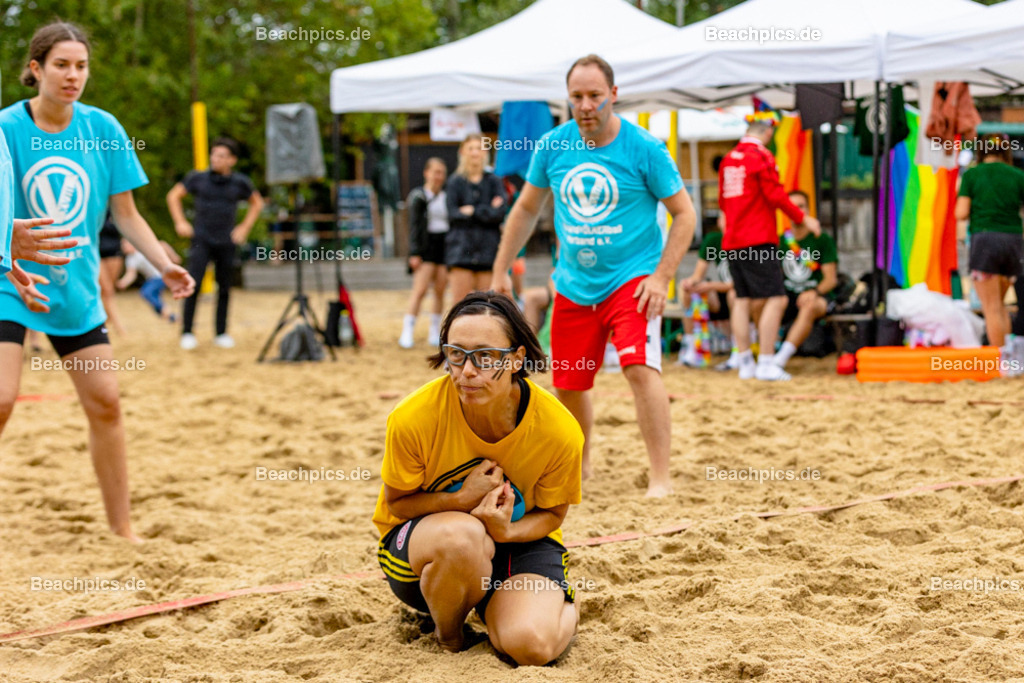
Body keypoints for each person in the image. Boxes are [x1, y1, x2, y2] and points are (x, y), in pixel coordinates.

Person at [0, 22, 195, 541]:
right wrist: (7, 233)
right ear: (36, 68)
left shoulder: (103, 129)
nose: (73, 76)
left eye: (81, 66)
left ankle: (122, 529)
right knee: (1, 398)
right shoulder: (6, 129)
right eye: (62, 64)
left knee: (106, 402)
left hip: (75, 290)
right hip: (9, 282)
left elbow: (127, 214)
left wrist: (161, 264)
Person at [491, 54, 696, 497]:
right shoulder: (553, 146)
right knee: (569, 382)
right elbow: (526, 208)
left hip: (632, 278)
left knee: (640, 368)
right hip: (573, 284)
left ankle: (659, 476)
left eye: (595, 96)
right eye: (577, 96)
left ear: (614, 95)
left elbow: (685, 214)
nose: (586, 105)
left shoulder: (644, 148)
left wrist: (661, 277)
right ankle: (579, 465)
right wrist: (501, 269)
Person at [374, 291, 583, 664]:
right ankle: (450, 635)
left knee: (531, 646)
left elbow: (553, 516)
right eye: (457, 354)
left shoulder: (559, 430)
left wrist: (507, 532)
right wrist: (460, 499)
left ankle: (552, 604)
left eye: (485, 357)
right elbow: (397, 503)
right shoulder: (412, 417)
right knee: (462, 537)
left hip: (518, 544)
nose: (468, 371)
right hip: (428, 554)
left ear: (518, 359)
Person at [718, 113, 821, 381]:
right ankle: (765, 361)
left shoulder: (729, 159)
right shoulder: (760, 157)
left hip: (732, 239)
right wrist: (803, 218)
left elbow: (722, 201)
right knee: (776, 298)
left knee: (742, 299)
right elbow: (775, 195)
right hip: (757, 238)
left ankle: (744, 361)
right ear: (767, 132)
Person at [167, 137, 264, 350]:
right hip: (201, 239)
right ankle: (187, 332)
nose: (215, 159)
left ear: (232, 160)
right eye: (214, 154)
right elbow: (173, 195)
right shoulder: (198, 178)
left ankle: (221, 332)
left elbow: (257, 202)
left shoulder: (240, 182)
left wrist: (244, 227)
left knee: (225, 287)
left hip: (227, 240)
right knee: (194, 283)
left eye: (221, 155)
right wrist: (180, 222)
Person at [955, 132, 1024, 371]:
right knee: (1003, 306)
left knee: (992, 308)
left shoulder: (972, 175)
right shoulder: (1018, 175)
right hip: (1014, 243)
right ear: (1006, 150)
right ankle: (1013, 363)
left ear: (981, 151)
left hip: (985, 242)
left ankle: (1001, 365)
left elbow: (960, 213)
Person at [774, 189, 838, 371]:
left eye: (801, 206)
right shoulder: (780, 242)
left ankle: (780, 359)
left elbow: (830, 280)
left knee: (809, 304)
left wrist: (814, 292)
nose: (797, 211)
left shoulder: (822, 239)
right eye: (792, 207)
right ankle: (763, 354)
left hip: (819, 297)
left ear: (809, 211)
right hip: (788, 296)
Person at [446, 134, 507, 303]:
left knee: (488, 305)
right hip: (461, 252)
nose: (475, 153)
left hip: (488, 252)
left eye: (479, 148)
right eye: (471, 148)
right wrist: (487, 210)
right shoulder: (455, 182)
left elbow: (500, 214)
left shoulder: (494, 181)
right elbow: (453, 214)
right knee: (460, 305)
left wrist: (472, 211)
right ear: (462, 152)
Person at [399, 157, 448, 348]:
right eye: (435, 172)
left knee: (440, 290)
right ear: (426, 173)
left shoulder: (447, 195)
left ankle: (435, 331)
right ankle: (408, 329)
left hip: (444, 245)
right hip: (425, 247)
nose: (438, 177)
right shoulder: (418, 196)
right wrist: (414, 252)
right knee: (419, 290)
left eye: (441, 173)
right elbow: (413, 226)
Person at [678, 225, 735, 368]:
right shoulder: (714, 240)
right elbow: (698, 275)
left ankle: (738, 350)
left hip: (742, 295)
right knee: (688, 289)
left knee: (734, 295)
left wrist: (711, 286)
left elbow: (742, 283)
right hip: (720, 296)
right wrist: (690, 283)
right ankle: (692, 347)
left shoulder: (748, 239)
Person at [117, 239, 181, 323]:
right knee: (151, 296)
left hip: (161, 276)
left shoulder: (143, 249)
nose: (124, 247)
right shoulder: (130, 259)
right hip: (152, 278)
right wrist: (123, 282)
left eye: (126, 245)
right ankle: (170, 316)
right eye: (123, 246)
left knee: (146, 292)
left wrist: (173, 257)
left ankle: (167, 313)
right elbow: (131, 274)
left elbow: (163, 244)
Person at [97, 213, 126, 335]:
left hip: (114, 251)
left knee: (109, 292)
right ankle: (120, 328)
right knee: (106, 290)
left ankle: (106, 322)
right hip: (96, 252)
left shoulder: (115, 205)